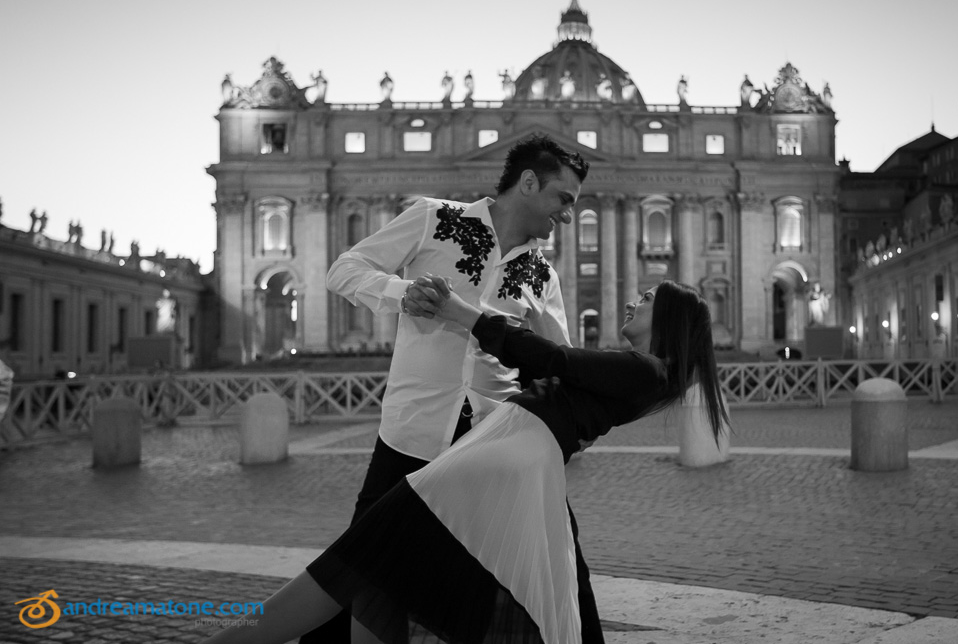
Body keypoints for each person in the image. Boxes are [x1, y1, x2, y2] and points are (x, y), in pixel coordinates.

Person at [202, 280, 730, 644]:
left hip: (496, 461)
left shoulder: (647, 371)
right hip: (505, 457)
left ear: (672, 320)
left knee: (357, 563)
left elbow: (555, 360)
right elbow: (561, 381)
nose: (635, 301)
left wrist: (463, 313)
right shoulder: (642, 373)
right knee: (379, 576)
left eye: (648, 297)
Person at [310, 134, 589, 643]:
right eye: (563, 199)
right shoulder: (434, 217)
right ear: (528, 183)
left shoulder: (543, 274)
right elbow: (343, 270)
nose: (568, 215)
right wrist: (401, 293)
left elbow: (557, 363)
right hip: (409, 438)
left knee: (483, 593)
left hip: (488, 451)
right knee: (371, 582)